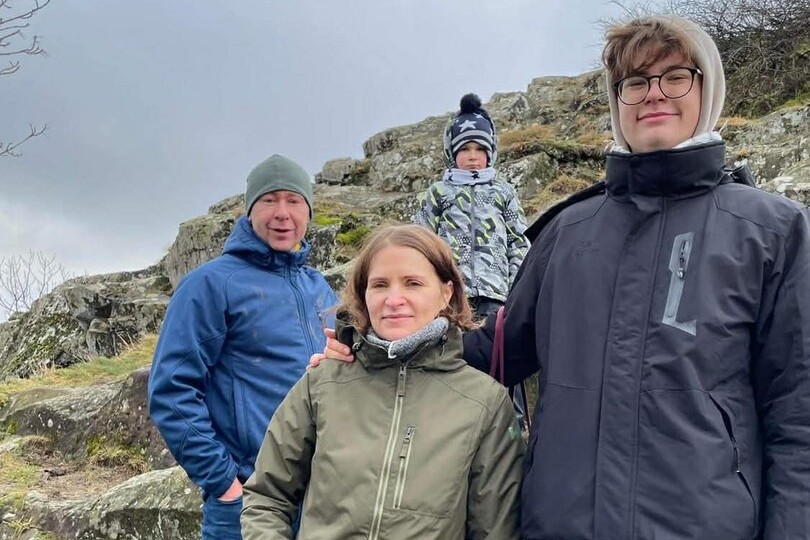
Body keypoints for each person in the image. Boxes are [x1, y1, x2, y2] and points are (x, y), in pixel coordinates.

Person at [316, 15, 810, 540]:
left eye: (675, 77)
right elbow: (497, 352)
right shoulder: (569, 229)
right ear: (617, 99)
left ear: (707, 89)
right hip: (559, 525)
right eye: (635, 82)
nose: (653, 94)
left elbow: (798, 417)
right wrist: (373, 343)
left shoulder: (772, 231)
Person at [242, 224, 524, 540]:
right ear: (364, 295)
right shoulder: (322, 383)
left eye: (413, 283)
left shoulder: (485, 403)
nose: (393, 299)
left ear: (446, 293)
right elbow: (267, 497)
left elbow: (496, 530)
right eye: (379, 285)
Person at [148, 154, 337, 540]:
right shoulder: (210, 284)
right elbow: (171, 390)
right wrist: (224, 483)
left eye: (293, 200)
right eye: (269, 200)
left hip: (322, 500)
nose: (282, 213)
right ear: (249, 210)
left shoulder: (318, 286)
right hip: (247, 500)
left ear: (308, 211)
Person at [413, 92, 530, 320]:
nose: (472, 156)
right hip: (449, 296)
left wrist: (515, 287)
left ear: (490, 152)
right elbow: (420, 243)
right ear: (452, 152)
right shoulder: (438, 192)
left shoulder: (504, 191)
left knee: (493, 342)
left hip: (497, 296)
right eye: (465, 149)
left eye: (480, 149)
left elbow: (519, 242)